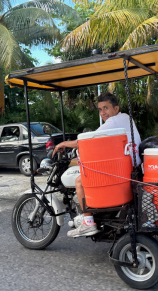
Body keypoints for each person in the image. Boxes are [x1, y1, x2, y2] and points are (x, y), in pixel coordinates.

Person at [52, 93, 141, 237]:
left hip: (122, 169)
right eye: (100, 109)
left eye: (106, 108)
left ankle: (88, 223)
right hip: (130, 166)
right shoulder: (125, 118)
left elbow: (86, 141)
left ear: (116, 108)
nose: (102, 112)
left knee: (79, 181)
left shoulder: (114, 121)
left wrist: (63, 144)